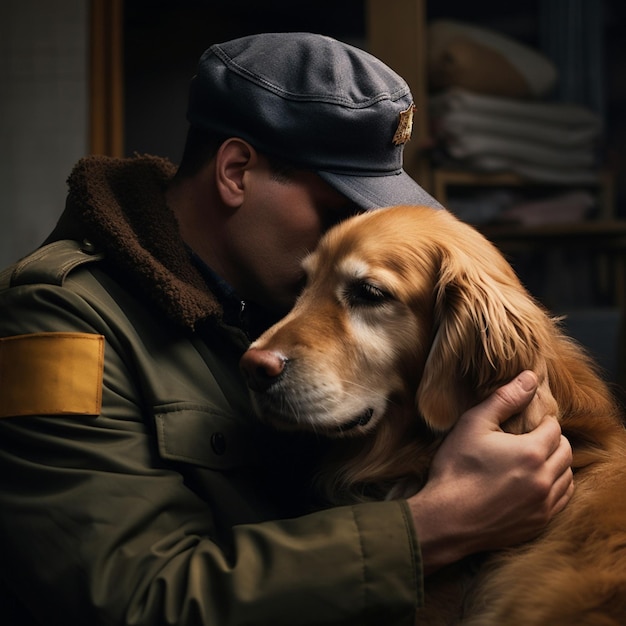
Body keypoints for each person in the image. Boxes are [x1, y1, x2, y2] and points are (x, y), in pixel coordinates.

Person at [0, 32, 573, 625]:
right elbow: (136, 598)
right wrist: (436, 524)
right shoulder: (55, 318)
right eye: (335, 210)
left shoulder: (268, 294)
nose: (350, 235)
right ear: (237, 171)